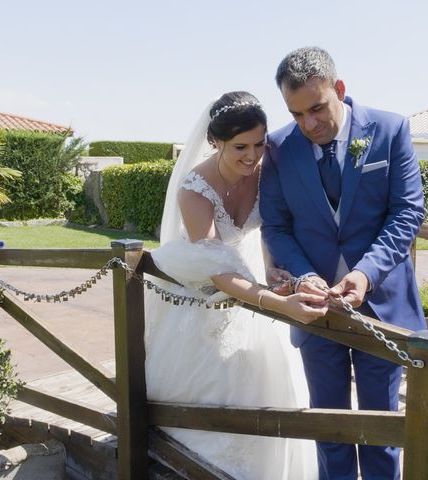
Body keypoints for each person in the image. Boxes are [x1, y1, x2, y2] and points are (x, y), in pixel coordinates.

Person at [260, 47, 426, 480]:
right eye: (297, 114)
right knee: (329, 427)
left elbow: (407, 212)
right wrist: (304, 275)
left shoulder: (390, 130)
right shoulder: (279, 147)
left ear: (339, 89)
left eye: (317, 108)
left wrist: (365, 273)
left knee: (381, 427)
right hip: (316, 314)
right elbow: (276, 227)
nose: (309, 124)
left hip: (381, 308)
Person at [144, 92, 322, 479]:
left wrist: (273, 269)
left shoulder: (264, 171)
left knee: (265, 379)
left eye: (260, 144)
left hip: (252, 276)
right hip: (206, 294)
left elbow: (270, 226)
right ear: (216, 141)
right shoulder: (194, 191)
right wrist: (278, 304)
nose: (252, 155)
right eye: (241, 146)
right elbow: (218, 273)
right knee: (213, 380)